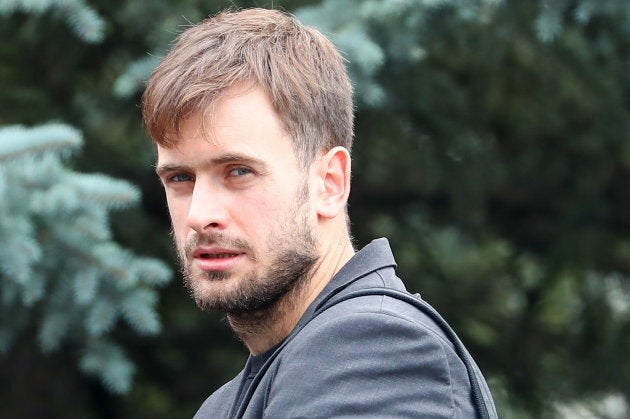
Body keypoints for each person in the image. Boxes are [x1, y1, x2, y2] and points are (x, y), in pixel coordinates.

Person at [142, 7, 497, 418]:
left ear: (329, 183)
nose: (200, 215)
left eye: (239, 171)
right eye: (180, 179)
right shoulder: (226, 404)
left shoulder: (375, 351)